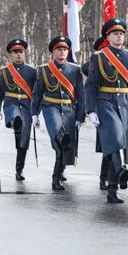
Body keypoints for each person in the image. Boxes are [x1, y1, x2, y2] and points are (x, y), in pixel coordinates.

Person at [85, 18, 128, 204]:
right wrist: (91, 110)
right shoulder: (98, 57)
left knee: (117, 145)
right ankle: (120, 170)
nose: (119, 36)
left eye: (121, 33)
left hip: (126, 104)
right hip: (105, 103)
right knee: (115, 139)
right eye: (114, 33)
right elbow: (91, 86)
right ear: (108, 37)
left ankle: (112, 189)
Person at [31, 35, 85, 191]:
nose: (62, 52)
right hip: (50, 107)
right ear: (52, 52)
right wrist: (34, 113)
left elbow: (81, 95)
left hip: (69, 110)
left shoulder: (75, 70)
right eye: (58, 49)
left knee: (65, 144)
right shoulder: (44, 69)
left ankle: (60, 171)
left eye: (65, 49)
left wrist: (80, 116)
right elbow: (37, 93)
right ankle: (55, 178)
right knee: (59, 137)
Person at [0, 39, 36, 181]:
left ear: (24, 53)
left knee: (23, 140)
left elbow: (36, 93)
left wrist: (35, 112)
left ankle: (19, 170)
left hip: (26, 105)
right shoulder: (4, 71)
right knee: (15, 116)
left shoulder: (33, 71)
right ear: (11, 54)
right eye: (15, 52)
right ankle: (16, 122)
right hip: (11, 103)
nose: (18, 55)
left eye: (20, 52)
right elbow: (0, 92)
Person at [83, 36, 111, 190]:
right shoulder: (95, 62)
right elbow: (85, 68)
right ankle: (104, 178)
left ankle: (116, 175)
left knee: (120, 143)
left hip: (119, 105)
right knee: (108, 144)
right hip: (102, 107)